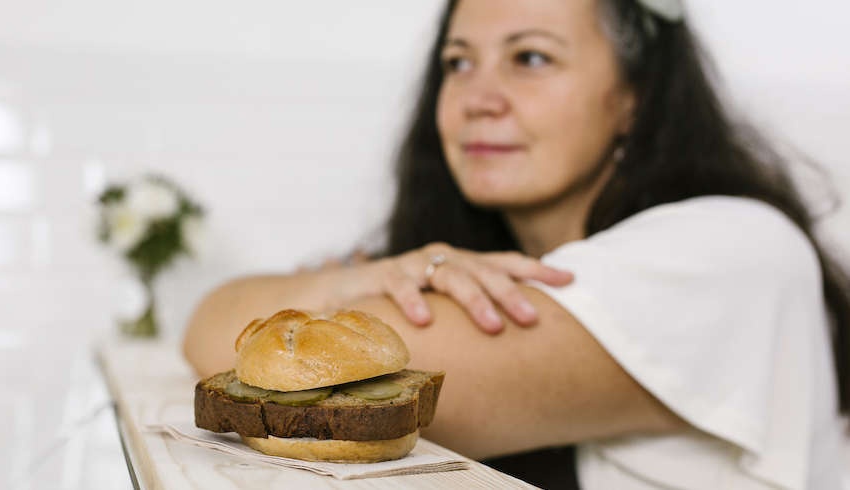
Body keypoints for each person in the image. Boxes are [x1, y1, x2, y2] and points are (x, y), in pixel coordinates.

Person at [183, 0, 850, 488]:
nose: (479, 97)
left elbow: (285, 370)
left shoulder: (737, 250)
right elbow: (209, 328)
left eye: (531, 58)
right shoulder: (455, 261)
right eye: (458, 62)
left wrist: (322, 297)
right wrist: (343, 285)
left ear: (635, 97)